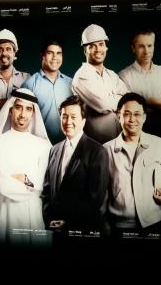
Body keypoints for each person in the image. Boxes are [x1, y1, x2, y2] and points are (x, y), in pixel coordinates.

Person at [104, 93, 161, 236]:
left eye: (137, 114)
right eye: (126, 114)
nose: (132, 119)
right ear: (118, 115)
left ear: (144, 117)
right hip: (118, 227)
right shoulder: (106, 150)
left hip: (155, 224)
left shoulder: (159, 144)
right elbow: (100, 191)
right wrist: (104, 223)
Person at [0, 88, 51, 245]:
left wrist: (19, 179)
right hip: (2, 221)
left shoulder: (44, 146)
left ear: (33, 113)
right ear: (10, 111)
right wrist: (30, 184)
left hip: (33, 221)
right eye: (18, 107)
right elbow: (2, 186)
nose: (23, 114)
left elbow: (44, 186)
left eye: (28, 109)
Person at [42, 95, 109, 233]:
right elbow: (47, 191)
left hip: (82, 229)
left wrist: (68, 223)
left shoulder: (97, 151)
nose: (68, 121)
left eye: (73, 117)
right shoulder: (54, 150)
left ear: (83, 121)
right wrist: (48, 218)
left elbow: (96, 199)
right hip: (54, 230)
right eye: (64, 116)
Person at [72, 24, 128, 144]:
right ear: (85, 50)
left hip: (120, 142)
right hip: (96, 146)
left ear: (106, 47)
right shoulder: (82, 76)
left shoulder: (112, 75)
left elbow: (128, 100)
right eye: (92, 46)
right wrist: (118, 98)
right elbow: (103, 104)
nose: (98, 50)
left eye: (101, 44)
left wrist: (111, 98)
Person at [118, 29, 161, 138]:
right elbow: (130, 108)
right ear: (133, 48)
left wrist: (145, 101)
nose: (146, 51)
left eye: (150, 46)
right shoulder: (124, 76)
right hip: (139, 132)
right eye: (141, 46)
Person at [22, 39, 73, 144]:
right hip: (40, 145)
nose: (55, 58)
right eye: (50, 53)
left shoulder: (71, 83)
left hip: (68, 145)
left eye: (58, 53)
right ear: (42, 55)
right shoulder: (29, 85)